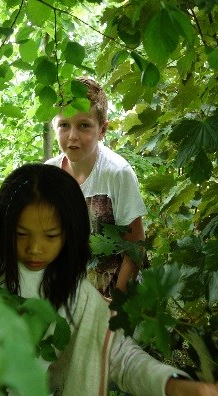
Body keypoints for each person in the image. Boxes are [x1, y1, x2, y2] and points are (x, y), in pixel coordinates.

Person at [0, 164, 218, 396]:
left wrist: (180, 388)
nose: (34, 248)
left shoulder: (76, 298)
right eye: (20, 233)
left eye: (51, 235)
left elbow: (116, 355)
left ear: (70, 235)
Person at [46, 76, 146, 298]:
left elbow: (136, 246)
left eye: (84, 125)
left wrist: (115, 305)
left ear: (102, 130)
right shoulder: (49, 175)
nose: (73, 136)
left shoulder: (117, 173)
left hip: (115, 296)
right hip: (70, 296)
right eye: (64, 125)